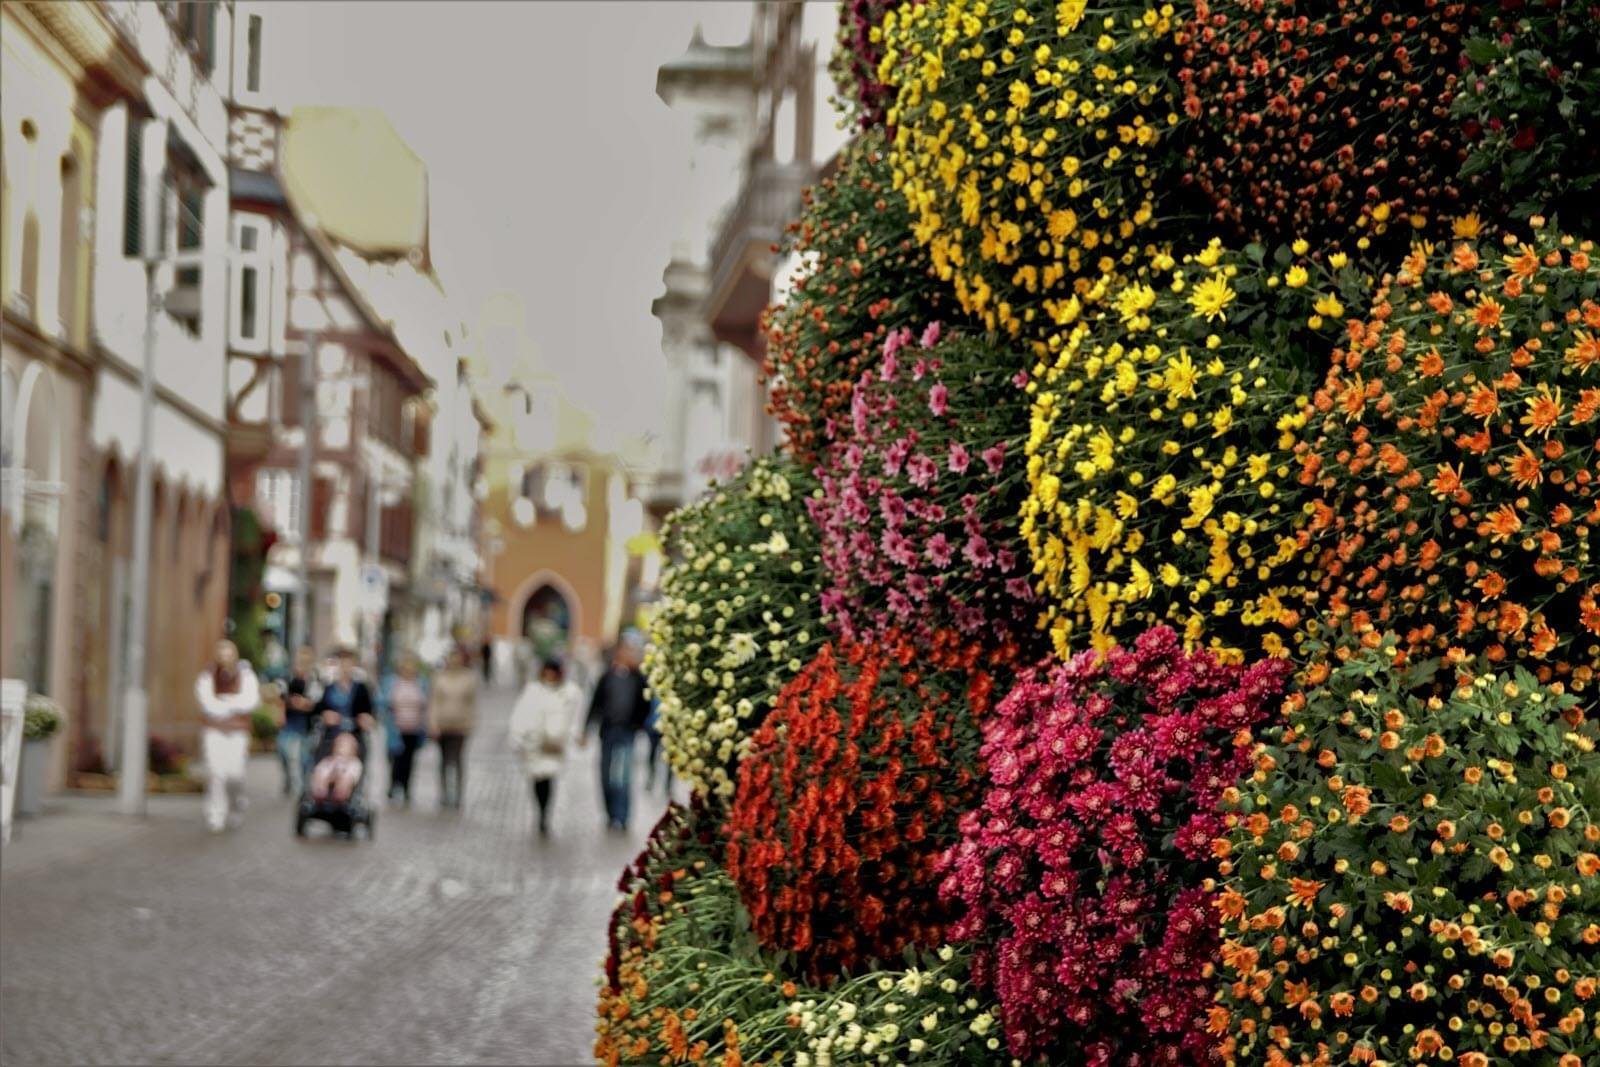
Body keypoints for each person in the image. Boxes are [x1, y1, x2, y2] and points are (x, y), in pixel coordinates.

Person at [508, 656, 585, 836]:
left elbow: (574, 719)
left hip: (554, 745)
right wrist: (516, 738)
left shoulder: (569, 693)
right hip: (534, 744)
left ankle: (544, 814)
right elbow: (521, 715)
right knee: (537, 780)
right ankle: (540, 810)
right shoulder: (533, 690)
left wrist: (576, 736)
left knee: (549, 779)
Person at [583, 641, 651, 831]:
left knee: (623, 776)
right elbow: (595, 704)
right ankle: (610, 813)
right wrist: (586, 729)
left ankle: (622, 815)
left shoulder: (638, 678)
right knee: (605, 775)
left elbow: (645, 702)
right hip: (608, 732)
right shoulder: (607, 676)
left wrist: (638, 725)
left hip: (627, 733)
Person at [195, 639, 261, 833]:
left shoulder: (246, 675)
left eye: (229, 654)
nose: (225, 658)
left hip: (237, 731)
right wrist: (230, 704)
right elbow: (207, 703)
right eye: (222, 654)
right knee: (216, 773)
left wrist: (224, 702)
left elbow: (250, 700)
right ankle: (216, 813)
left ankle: (236, 804)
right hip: (214, 730)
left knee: (235, 773)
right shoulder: (207, 675)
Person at [429, 646, 479, 809]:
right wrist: (433, 724)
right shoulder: (439, 677)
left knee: (457, 760)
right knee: (443, 761)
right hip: (443, 725)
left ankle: (458, 794)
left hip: (460, 725)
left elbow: (472, 703)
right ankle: (444, 793)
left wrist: (471, 723)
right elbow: (434, 702)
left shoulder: (468, 678)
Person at [378, 651, 429, 805]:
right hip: (396, 728)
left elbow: (426, 703)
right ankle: (394, 786)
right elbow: (382, 701)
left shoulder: (421, 682)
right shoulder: (391, 682)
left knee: (409, 760)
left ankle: (406, 788)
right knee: (396, 759)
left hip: (414, 728)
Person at [312, 647, 377, 755]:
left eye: (348, 663)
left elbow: (369, 713)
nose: (345, 667)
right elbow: (319, 710)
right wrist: (325, 716)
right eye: (342, 663)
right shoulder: (329, 687)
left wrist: (365, 719)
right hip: (331, 736)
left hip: (354, 735)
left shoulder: (361, 688)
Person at [278, 644, 321, 796]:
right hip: (290, 721)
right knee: (283, 749)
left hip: (306, 723)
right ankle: (288, 777)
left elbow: (314, 703)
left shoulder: (314, 679)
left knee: (305, 756)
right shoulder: (288, 676)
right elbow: (281, 697)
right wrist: (287, 708)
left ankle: (304, 785)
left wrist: (302, 704)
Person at [308, 731, 363, 803]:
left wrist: (339, 776)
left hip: (343, 780)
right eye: (339, 745)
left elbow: (353, 775)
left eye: (344, 746)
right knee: (320, 774)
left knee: (345, 778)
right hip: (328, 778)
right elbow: (320, 769)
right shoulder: (329, 760)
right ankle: (320, 794)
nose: (340, 749)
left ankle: (340, 795)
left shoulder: (353, 762)